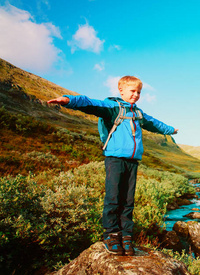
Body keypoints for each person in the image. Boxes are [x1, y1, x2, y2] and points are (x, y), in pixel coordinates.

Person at [47, 76, 178, 256]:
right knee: (113, 198)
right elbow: (89, 103)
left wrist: (170, 130)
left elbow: (154, 123)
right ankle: (111, 235)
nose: (136, 95)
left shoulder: (138, 113)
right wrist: (69, 100)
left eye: (139, 92)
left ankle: (126, 236)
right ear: (121, 91)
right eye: (132, 91)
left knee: (128, 201)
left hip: (132, 162)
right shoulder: (112, 108)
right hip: (115, 160)